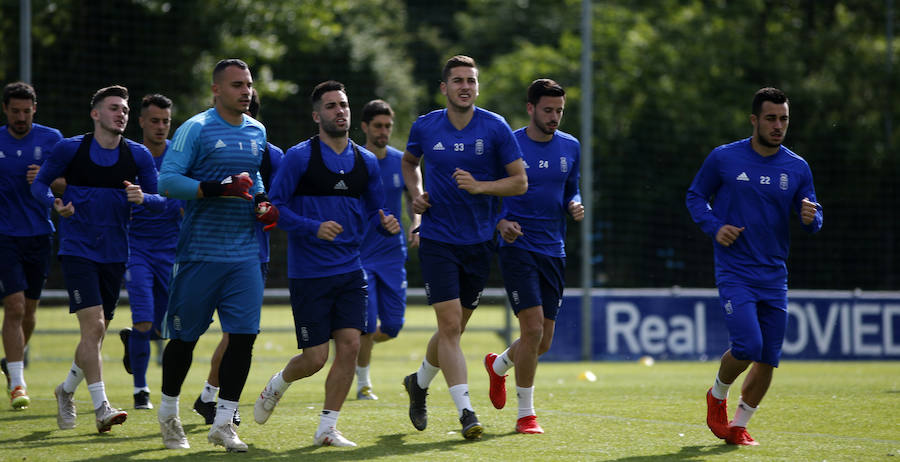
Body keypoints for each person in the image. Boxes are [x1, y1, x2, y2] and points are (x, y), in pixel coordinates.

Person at [253, 80, 400, 448]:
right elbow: (272, 211)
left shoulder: (366, 162)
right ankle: (278, 384)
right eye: (332, 106)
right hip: (309, 274)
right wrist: (313, 227)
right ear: (317, 115)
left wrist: (385, 225)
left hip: (352, 270)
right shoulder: (299, 157)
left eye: (345, 104)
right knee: (316, 358)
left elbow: (373, 212)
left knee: (350, 345)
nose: (341, 111)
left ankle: (327, 428)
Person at [686, 87, 823, 446]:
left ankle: (740, 424)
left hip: (774, 275)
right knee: (747, 345)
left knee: (767, 358)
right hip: (735, 271)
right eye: (771, 118)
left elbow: (813, 212)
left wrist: (812, 216)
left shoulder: (797, 166)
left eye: (784, 119)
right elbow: (695, 196)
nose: (778, 126)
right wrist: (716, 227)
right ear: (754, 120)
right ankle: (717, 395)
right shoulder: (724, 158)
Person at [400, 55, 527, 440]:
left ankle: (418, 382)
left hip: (478, 242)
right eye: (457, 80)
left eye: (470, 80)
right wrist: (417, 194)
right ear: (444, 88)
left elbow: (519, 182)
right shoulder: (425, 126)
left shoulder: (495, 127)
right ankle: (466, 412)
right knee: (450, 326)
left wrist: (481, 186)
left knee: (453, 330)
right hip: (437, 239)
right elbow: (409, 163)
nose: (465, 86)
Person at [156, 58, 277, 452]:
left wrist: (262, 202)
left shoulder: (257, 130)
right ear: (217, 89)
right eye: (237, 85)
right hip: (200, 253)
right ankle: (169, 414)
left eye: (249, 85)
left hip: (243, 254)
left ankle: (224, 423)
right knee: (184, 340)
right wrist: (216, 188)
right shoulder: (196, 128)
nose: (246, 91)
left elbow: (254, 175)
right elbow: (168, 182)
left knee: (243, 339)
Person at [31, 84, 164, 432]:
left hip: (116, 254)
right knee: (95, 327)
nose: (121, 113)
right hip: (77, 251)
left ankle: (66, 390)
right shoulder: (70, 148)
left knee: (96, 334)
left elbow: (161, 198)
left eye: (124, 109)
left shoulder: (138, 155)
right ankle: (102, 407)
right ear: (95, 114)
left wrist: (143, 198)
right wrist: (54, 204)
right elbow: (39, 185)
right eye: (113, 108)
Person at [483, 79, 583, 434]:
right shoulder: (509, 144)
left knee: (542, 342)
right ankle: (526, 414)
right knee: (533, 329)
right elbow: (488, 194)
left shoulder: (571, 146)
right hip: (518, 247)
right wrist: (500, 222)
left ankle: (498, 366)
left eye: (559, 110)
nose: (554, 116)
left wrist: (575, 202)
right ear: (530, 108)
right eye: (548, 110)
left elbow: (572, 186)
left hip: (553, 250)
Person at [192, 88, 283, 426]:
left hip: (248, 250)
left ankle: (210, 398)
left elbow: (283, 197)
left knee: (236, 332)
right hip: (225, 251)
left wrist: (270, 208)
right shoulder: (209, 148)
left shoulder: (271, 154)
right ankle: (210, 398)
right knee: (232, 332)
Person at [117, 94, 183, 410]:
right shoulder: (127, 155)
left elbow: (185, 198)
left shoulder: (179, 157)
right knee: (143, 319)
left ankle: (133, 342)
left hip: (171, 249)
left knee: (166, 326)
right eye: (154, 120)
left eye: (165, 121)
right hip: (136, 248)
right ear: (141, 121)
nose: (160, 127)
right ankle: (141, 390)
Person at [0, 81, 63, 410]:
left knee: (30, 312)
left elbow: (72, 180)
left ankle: (10, 361)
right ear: (5, 110)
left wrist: (48, 178)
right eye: (15, 111)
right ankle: (18, 382)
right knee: (14, 306)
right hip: (4, 236)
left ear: (34, 110)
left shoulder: (52, 139)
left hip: (40, 235)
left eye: (27, 111)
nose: (21, 117)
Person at [354, 99, 420, 401]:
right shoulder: (353, 160)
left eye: (388, 126)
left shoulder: (401, 161)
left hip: (393, 253)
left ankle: (351, 343)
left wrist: (415, 222)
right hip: (361, 253)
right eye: (378, 126)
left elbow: (413, 197)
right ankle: (364, 383)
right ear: (365, 127)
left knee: (392, 326)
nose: (384, 131)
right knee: (367, 323)